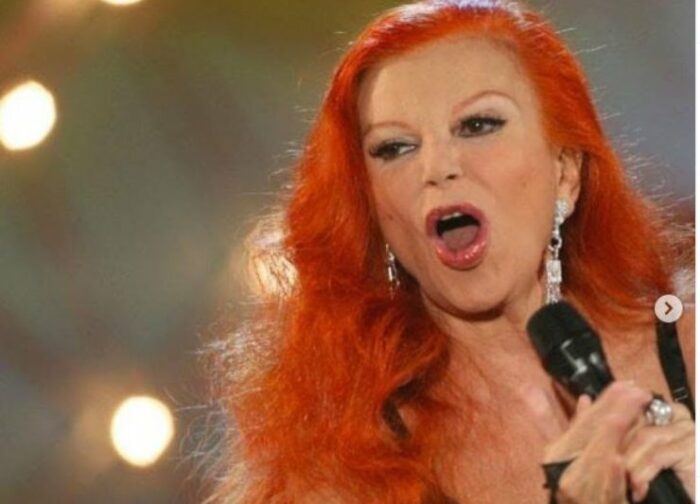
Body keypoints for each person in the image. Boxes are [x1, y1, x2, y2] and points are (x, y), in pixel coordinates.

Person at [202, 1, 695, 502]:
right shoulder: (338, 474)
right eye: (395, 148)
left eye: (478, 125)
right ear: (375, 211)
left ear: (565, 172)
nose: (437, 167)